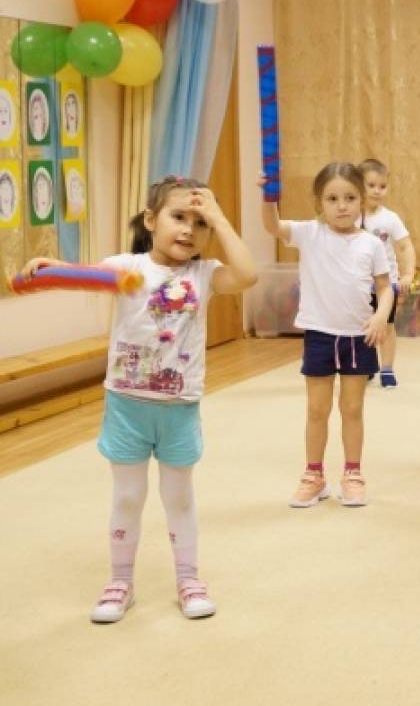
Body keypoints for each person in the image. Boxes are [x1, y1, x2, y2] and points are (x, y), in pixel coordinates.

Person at [19, 176, 257, 623]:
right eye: (178, 217)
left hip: (179, 408)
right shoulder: (127, 267)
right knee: (128, 496)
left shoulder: (204, 275)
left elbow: (247, 275)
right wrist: (53, 266)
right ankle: (120, 582)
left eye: (200, 223)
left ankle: (188, 578)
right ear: (150, 220)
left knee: (178, 498)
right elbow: (84, 276)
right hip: (127, 406)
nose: (188, 229)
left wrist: (221, 219)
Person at [261, 162, 392, 508]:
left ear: (362, 200)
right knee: (317, 410)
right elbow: (272, 226)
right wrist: (267, 197)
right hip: (320, 335)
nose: (342, 206)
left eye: (350, 198)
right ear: (319, 202)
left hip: (358, 338)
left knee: (352, 408)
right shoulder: (310, 233)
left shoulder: (371, 244)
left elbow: (384, 286)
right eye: (332, 199)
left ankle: (353, 474)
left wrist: (380, 316)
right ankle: (314, 475)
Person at [359, 158, 417, 387]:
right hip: (359, 285)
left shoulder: (390, 218)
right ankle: (366, 365)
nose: (377, 191)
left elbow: (405, 246)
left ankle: (387, 368)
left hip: (386, 285)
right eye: (371, 185)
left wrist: (408, 274)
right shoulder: (352, 216)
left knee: (386, 326)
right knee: (361, 327)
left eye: (382, 186)